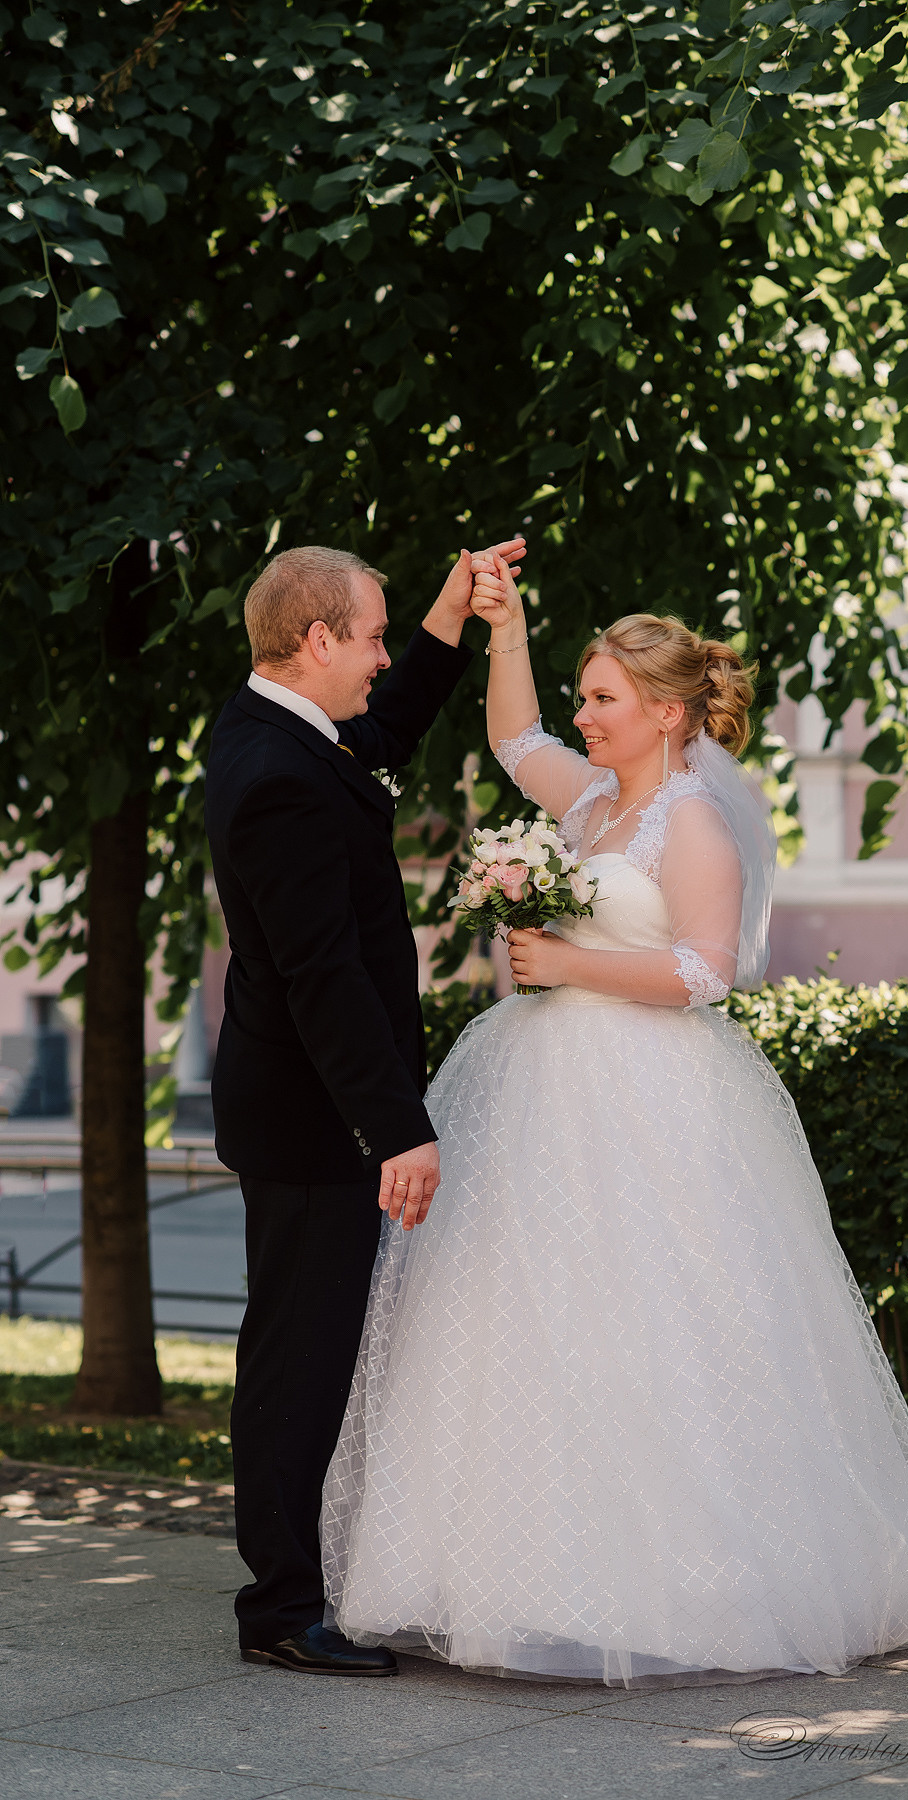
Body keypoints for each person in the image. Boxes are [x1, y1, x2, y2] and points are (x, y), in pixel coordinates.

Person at [321, 552, 908, 1688]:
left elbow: (703, 971)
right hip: (534, 1087)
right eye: (584, 697)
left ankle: (691, 1584)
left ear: (665, 715)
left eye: (603, 700)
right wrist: (508, 629)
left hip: (650, 1101)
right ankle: (498, 1575)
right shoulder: (584, 803)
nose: (582, 716)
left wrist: (566, 958)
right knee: (519, 1323)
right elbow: (514, 741)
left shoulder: (691, 824)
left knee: (656, 1322)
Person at [205, 536, 523, 1676]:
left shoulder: (281, 734)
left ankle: (299, 1583)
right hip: (311, 1116)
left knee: (305, 1347)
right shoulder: (276, 777)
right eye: (376, 636)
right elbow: (320, 973)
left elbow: (382, 742)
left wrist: (444, 617)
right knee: (298, 1357)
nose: (385, 658)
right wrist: (396, 1126)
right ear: (317, 638)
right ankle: (283, 1612)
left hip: (302, 1102)